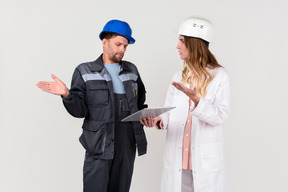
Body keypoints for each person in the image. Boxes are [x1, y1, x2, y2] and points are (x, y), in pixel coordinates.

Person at [37, 19, 148, 192]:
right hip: (99, 147)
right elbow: (80, 111)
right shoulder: (85, 71)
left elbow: (140, 104)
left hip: (126, 147)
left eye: (125, 46)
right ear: (104, 41)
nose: (122, 50)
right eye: (118, 44)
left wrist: (148, 116)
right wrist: (67, 94)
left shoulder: (131, 71)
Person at [140, 17, 230, 192]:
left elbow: (220, 115)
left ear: (194, 44)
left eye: (181, 41)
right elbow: (169, 111)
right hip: (178, 159)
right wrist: (159, 119)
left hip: (204, 160)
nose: (177, 46)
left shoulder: (219, 76)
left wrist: (196, 100)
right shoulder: (178, 76)